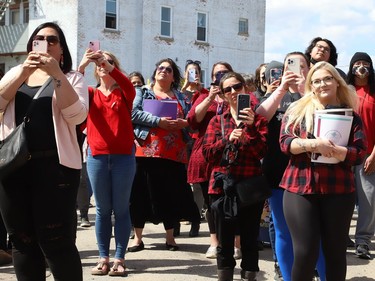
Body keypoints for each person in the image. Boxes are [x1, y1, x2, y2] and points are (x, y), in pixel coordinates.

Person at [0, 22, 88, 280]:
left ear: (62, 50)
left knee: (56, 242)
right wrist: (22, 73)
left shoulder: (72, 78)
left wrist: (57, 75)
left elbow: (76, 116)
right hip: (13, 167)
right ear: (31, 46)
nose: (46, 43)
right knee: (21, 241)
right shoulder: (16, 73)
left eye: (53, 40)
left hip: (56, 170)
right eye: (40, 39)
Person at [279, 61, 367, 280]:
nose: (322, 84)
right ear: (311, 86)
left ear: (337, 83)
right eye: (316, 81)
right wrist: (313, 145)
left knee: (336, 252)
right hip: (299, 187)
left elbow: (359, 153)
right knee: (306, 252)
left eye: (327, 78)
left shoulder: (352, 116)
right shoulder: (297, 110)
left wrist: (337, 151)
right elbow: (285, 143)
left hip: (339, 190)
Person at [257, 52, 326, 281]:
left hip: (313, 175)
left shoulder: (319, 94)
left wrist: (303, 90)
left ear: (309, 69)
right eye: (290, 65)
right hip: (278, 173)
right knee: (283, 232)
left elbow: (327, 118)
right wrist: (281, 90)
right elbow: (259, 119)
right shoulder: (276, 96)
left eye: (302, 65)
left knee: (317, 234)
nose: (296, 70)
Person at [129, 58, 200, 252]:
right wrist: (158, 121)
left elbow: (191, 119)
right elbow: (132, 113)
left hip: (174, 154)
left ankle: (170, 238)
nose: (164, 71)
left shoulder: (180, 96)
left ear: (174, 76)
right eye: (160, 68)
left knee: (170, 196)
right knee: (139, 195)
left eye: (168, 69)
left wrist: (182, 123)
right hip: (145, 152)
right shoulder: (142, 91)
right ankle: (137, 238)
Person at [203, 72, 268, 281]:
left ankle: (249, 276)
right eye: (227, 89)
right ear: (221, 95)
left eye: (237, 87)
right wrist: (226, 140)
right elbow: (208, 155)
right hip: (223, 188)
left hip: (250, 186)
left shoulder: (258, 121)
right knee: (224, 242)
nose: (233, 92)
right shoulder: (216, 121)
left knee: (250, 240)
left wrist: (249, 129)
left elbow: (261, 152)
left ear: (245, 89)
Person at [78, 49, 136, 276]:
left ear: (115, 66)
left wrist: (110, 65)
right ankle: (103, 258)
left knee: (121, 209)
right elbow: (74, 90)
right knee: (102, 210)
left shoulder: (124, 92)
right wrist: (82, 65)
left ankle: (120, 258)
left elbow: (129, 86)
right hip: (97, 157)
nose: (103, 64)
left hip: (123, 158)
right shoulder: (90, 92)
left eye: (109, 62)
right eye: (100, 62)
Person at [187, 61, 236, 259]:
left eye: (225, 72)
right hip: (207, 155)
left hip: (233, 155)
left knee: (234, 201)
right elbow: (193, 121)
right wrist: (210, 98)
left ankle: (235, 243)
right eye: (217, 73)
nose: (221, 76)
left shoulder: (238, 93)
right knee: (212, 203)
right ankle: (214, 242)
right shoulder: (203, 95)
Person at [346, 52, 375, 259]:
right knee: (344, 198)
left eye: (366, 63)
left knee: (368, 199)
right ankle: (340, 235)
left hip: (368, 155)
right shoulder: (344, 91)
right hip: (345, 153)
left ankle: (363, 241)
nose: (362, 66)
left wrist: (374, 155)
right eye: (357, 63)